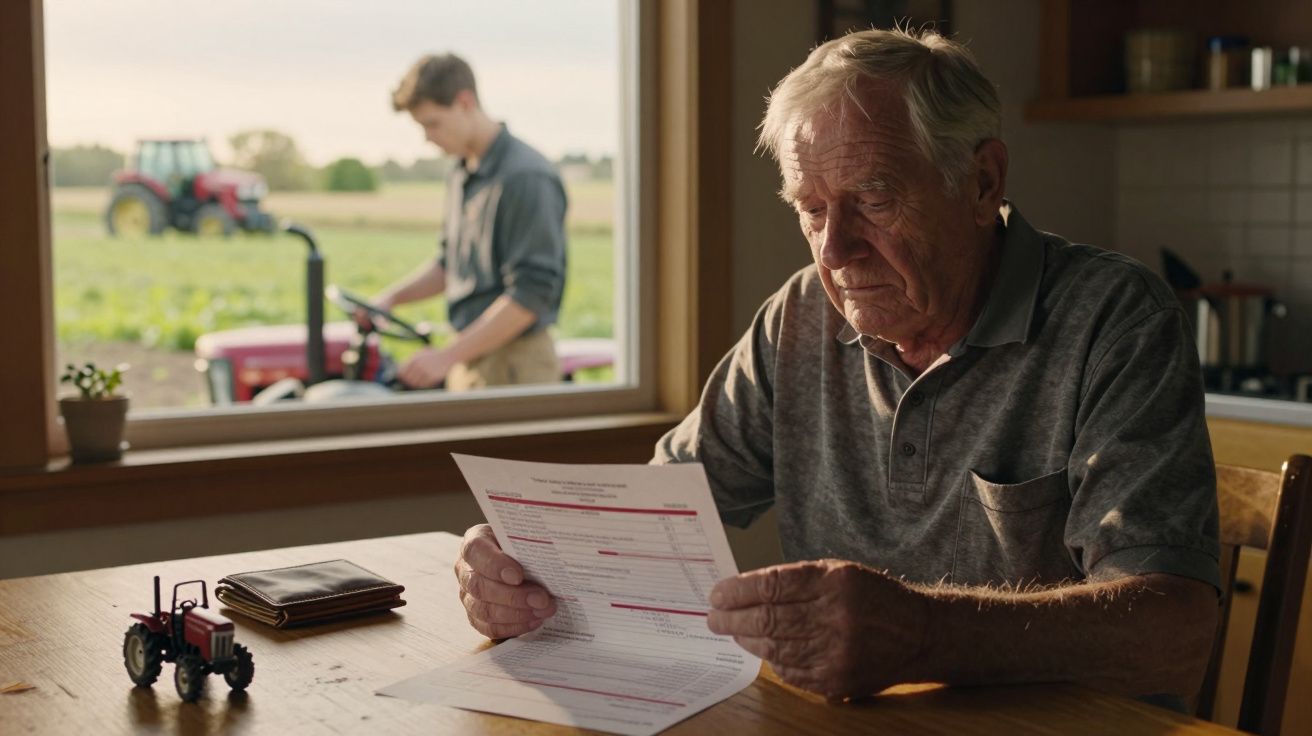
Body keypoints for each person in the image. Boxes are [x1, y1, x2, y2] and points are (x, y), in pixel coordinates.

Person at [450, 29, 1220, 708]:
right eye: (811, 210)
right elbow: (655, 525)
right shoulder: (800, 318)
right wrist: (526, 569)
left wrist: (923, 634)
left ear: (983, 181)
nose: (834, 251)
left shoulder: (1113, 317)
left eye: (874, 200)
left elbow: (1173, 630)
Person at [367, 53, 567, 391]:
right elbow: (451, 265)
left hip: (516, 366)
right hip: (469, 357)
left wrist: (444, 358)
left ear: (465, 102)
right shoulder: (462, 174)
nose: (427, 138)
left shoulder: (525, 177)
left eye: (432, 123)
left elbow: (532, 294)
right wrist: (389, 300)